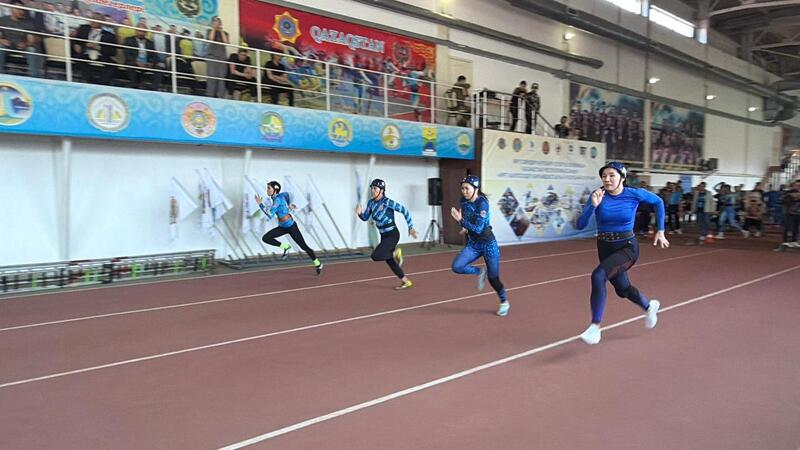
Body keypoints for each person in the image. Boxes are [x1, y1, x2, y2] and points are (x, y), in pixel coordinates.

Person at [575, 162, 669, 345]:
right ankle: (649, 306)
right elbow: (579, 225)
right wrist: (593, 206)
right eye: (604, 176)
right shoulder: (597, 195)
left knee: (598, 276)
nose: (607, 179)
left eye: (612, 175)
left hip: (627, 247)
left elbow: (658, 202)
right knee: (623, 289)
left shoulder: (634, 193)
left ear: (622, 178)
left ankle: (595, 326)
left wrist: (661, 230)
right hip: (605, 247)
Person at [450, 175, 510, 317]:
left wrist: (461, 221)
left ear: (476, 188)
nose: (464, 191)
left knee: (493, 278)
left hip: (488, 244)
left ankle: (504, 302)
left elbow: (478, 228)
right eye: (462, 188)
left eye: (467, 188)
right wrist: (464, 227)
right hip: (474, 244)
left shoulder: (482, 203)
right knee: (457, 266)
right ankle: (480, 272)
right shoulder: (463, 201)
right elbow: (470, 220)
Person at [356, 179, 417, 289]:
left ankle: (396, 253)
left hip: (392, 234)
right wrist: (360, 213)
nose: (372, 190)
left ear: (382, 190)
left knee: (376, 256)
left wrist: (411, 227)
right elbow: (365, 218)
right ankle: (406, 281)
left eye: (375, 188)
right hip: (384, 236)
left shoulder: (387, 202)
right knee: (390, 261)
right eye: (372, 188)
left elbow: (404, 210)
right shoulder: (371, 203)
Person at [255, 181, 323, 275]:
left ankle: (318, 263)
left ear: (275, 190)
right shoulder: (279, 196)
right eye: (267, 188)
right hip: (282, 227)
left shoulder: (277, 200)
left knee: (304, 246)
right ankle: (286, 247)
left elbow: (270, 214)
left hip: (291, 227)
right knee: (266, 238)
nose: (267, 190)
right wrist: (289, 206)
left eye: (269, 188)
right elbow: (289, 195)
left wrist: (260, 204)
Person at [205, 16, 229, 98]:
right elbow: (210, 39)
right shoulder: (209, 31)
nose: (217, 23)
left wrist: (221, 30)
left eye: (218, 22)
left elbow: (226, 42)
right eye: (215, 22)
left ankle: (221, 96)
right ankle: (210, 95)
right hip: (212, 56)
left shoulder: (225, 33)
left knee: (221, 77)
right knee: (211, 76)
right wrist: (214, 29)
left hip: (222, 57)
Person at [781, 180, 800, 247]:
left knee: (796, 227)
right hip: (788, 213)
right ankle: (785, 241)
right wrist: (795, 198)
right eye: (797, 185)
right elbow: (784, 201)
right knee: (787, 227)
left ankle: (794, 241)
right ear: (794, 185)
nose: (798, 186)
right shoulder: (788, 193)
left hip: (797, 213)